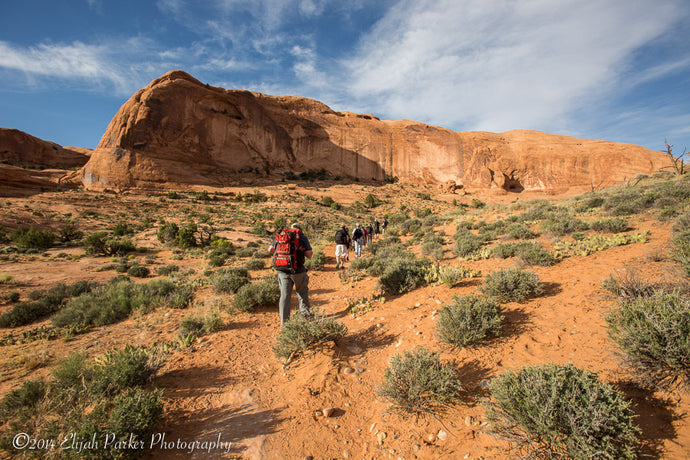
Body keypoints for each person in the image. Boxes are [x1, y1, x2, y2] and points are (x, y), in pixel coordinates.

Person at [268, 223, 313, 325]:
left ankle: (285, 324)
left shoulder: (283, 236)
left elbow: (270, 249)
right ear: (300, 230)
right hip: (298, 271)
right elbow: (309, 255)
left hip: (282, 271)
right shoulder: (302, 237)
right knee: (302, 293)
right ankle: (305, 319)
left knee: (284, 296)